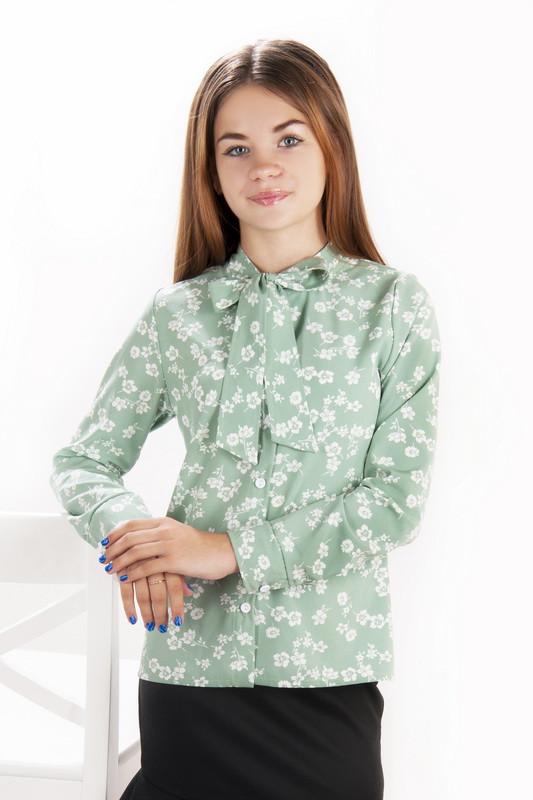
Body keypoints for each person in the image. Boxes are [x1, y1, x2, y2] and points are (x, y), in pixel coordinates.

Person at [49, 37, 441, 800]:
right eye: (236, 149)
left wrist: (224, 550)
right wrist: (140, 545)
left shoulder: (391, 307)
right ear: (211, 171)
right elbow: (83, 462)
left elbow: (393, 503)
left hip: (326, 671)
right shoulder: (178, 316)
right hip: (190, 674)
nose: (263, 167)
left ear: (331, 147)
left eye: (288, 139)